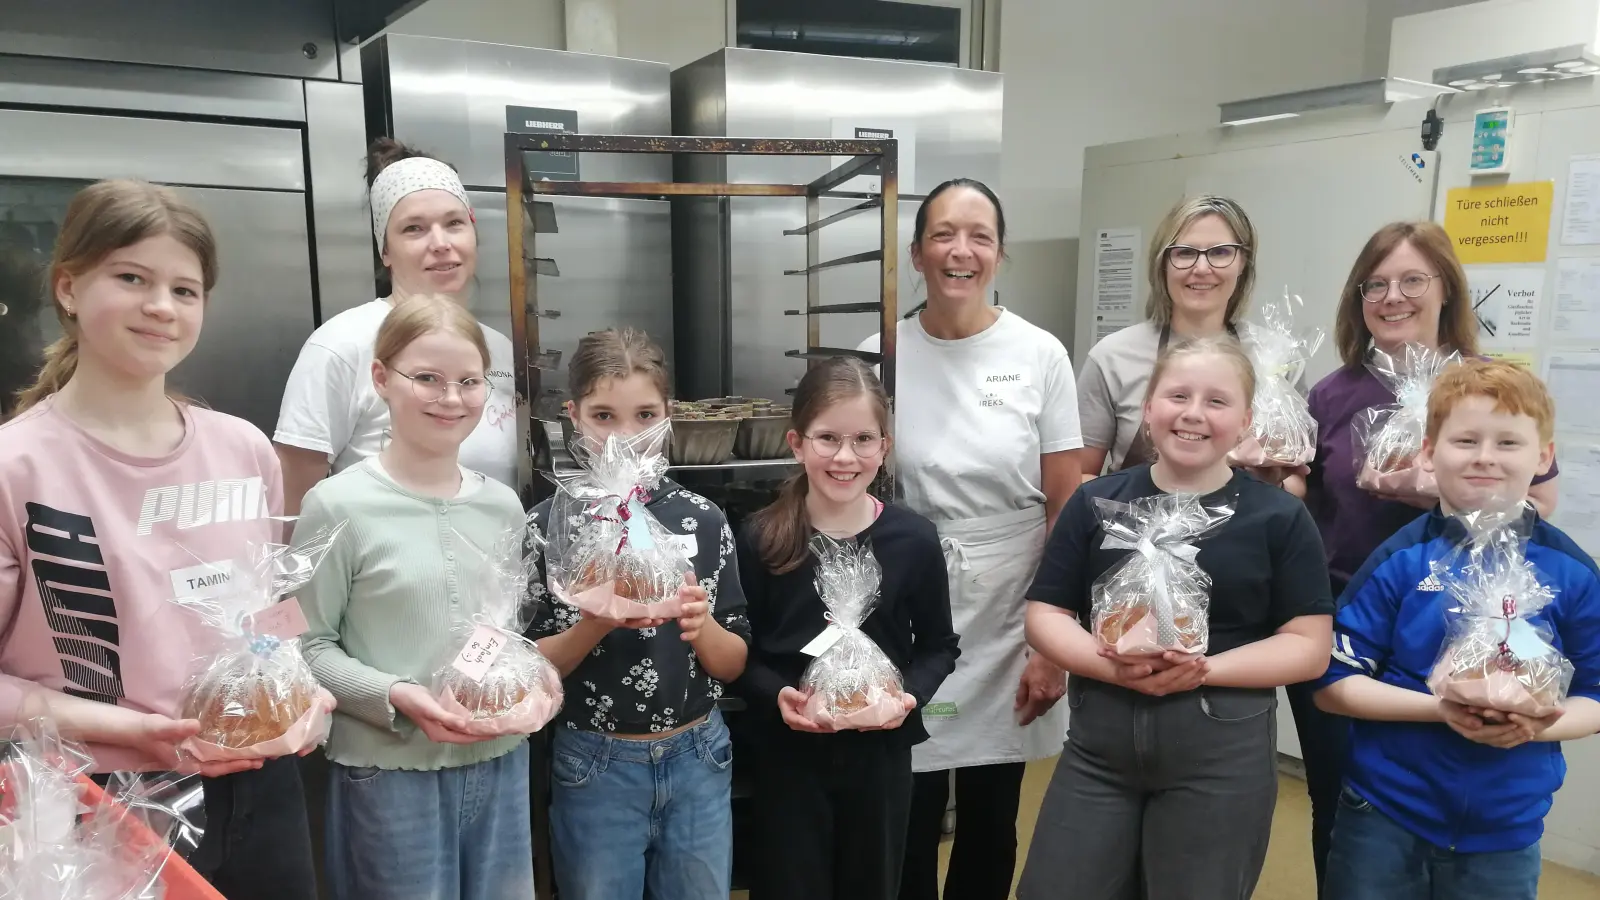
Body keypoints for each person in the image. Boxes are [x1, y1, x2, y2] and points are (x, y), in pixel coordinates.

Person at [0, 179, 319, 899]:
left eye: (185, 289)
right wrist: (134, 729)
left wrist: (302, 688)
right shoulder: (16, 467)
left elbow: (269, 610)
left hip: (264, 787)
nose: (161, 307)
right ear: (69, 288)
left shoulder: (243, 448)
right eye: (132, 278)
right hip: (98, 798)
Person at [1287, 221, 1562, 894]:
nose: (1392, 297)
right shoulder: (1332, 392)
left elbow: (1543, 505)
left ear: (1448, 291)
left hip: (1459, 629)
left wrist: (1439, 490)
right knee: (1344, 806)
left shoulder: (1489, 384)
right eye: (1375, 284)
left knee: (1447, 809)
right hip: (1342, 624)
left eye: (1413, 280)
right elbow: (1305, 495)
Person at [1019, 335, 1334, 900]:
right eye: (1177, 395)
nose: (1193, 413)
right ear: (1147, 410)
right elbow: (1046, 612)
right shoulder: (1097, 504)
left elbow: (1308, 645)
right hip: (1100, 748)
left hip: (1221, 754)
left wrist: (1202, 670)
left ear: (1245, 422)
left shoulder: (1279, 519)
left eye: (1217, 401)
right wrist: (1107, 665)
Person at [858, 177, 1082, 900]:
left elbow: (1066, 502)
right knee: (908, 799)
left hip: (1012, 601)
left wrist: (1052, 645)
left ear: (999, 254)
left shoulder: (1040, 353)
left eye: (979, 236)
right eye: (944, 235)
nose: (962, 251)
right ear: (917, 253)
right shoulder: (879, 351)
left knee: (992, 809)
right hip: (905, 596)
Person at [1313, 359, 1600, 900]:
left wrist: (1536, 722)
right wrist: (1442, 709)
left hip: (1507, 829)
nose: (1485, 457)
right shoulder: (1399, 560)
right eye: (1466, 439)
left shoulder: (1573, 574)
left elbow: (1595, 694)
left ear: (1544, 456)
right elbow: (1331, 684)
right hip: (1384, 811)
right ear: (1428, 452)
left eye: (1508, 443)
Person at [297, 295, 534, 900]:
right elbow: (303, 647)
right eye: (426, 378)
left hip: (500, 759)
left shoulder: (502, 506)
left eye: (468, 381)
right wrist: (394, 693)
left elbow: (498, 632)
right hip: (386, 768)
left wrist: (516, 688)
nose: (450, 399)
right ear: (381, 378)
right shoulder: (336, 505)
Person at [527, 327, 750, 900]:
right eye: (604, 416)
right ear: (572, 416)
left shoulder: (702, 521)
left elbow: (733, 663)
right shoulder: (550, 526)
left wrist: (703, 629)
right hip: (592, 761)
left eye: (645, 415)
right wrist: (594, 620)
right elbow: (528, 668)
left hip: (698, 753)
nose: (626, 436)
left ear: (669, 415)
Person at [735, 356, 960, 900]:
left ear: (884, 447)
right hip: (788, 755)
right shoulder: (762, 538)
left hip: (880, 756)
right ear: (796, 443)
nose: (844, 456)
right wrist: (777, 694)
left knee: (873, 882)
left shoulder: (914, 539)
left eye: (863, 439)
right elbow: (740, 654)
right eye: (827, 438)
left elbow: (938, 646)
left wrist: (907, 695)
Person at [274, 138, 518, 512]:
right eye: (414, 229)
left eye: (454, 223)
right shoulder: (342, 345)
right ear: (385, 250)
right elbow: (290, 504)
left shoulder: (498, 348)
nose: (440, 243)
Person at [1077, 195, 1259, 477]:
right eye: (1185, 252)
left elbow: (1299, 480)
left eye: (1221, 252)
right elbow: (1079, 476)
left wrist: (1273, 483)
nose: (1201, 268)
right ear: (1163, 263)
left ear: (1243, 262)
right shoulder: (1112, 357)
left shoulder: (1276, 358)